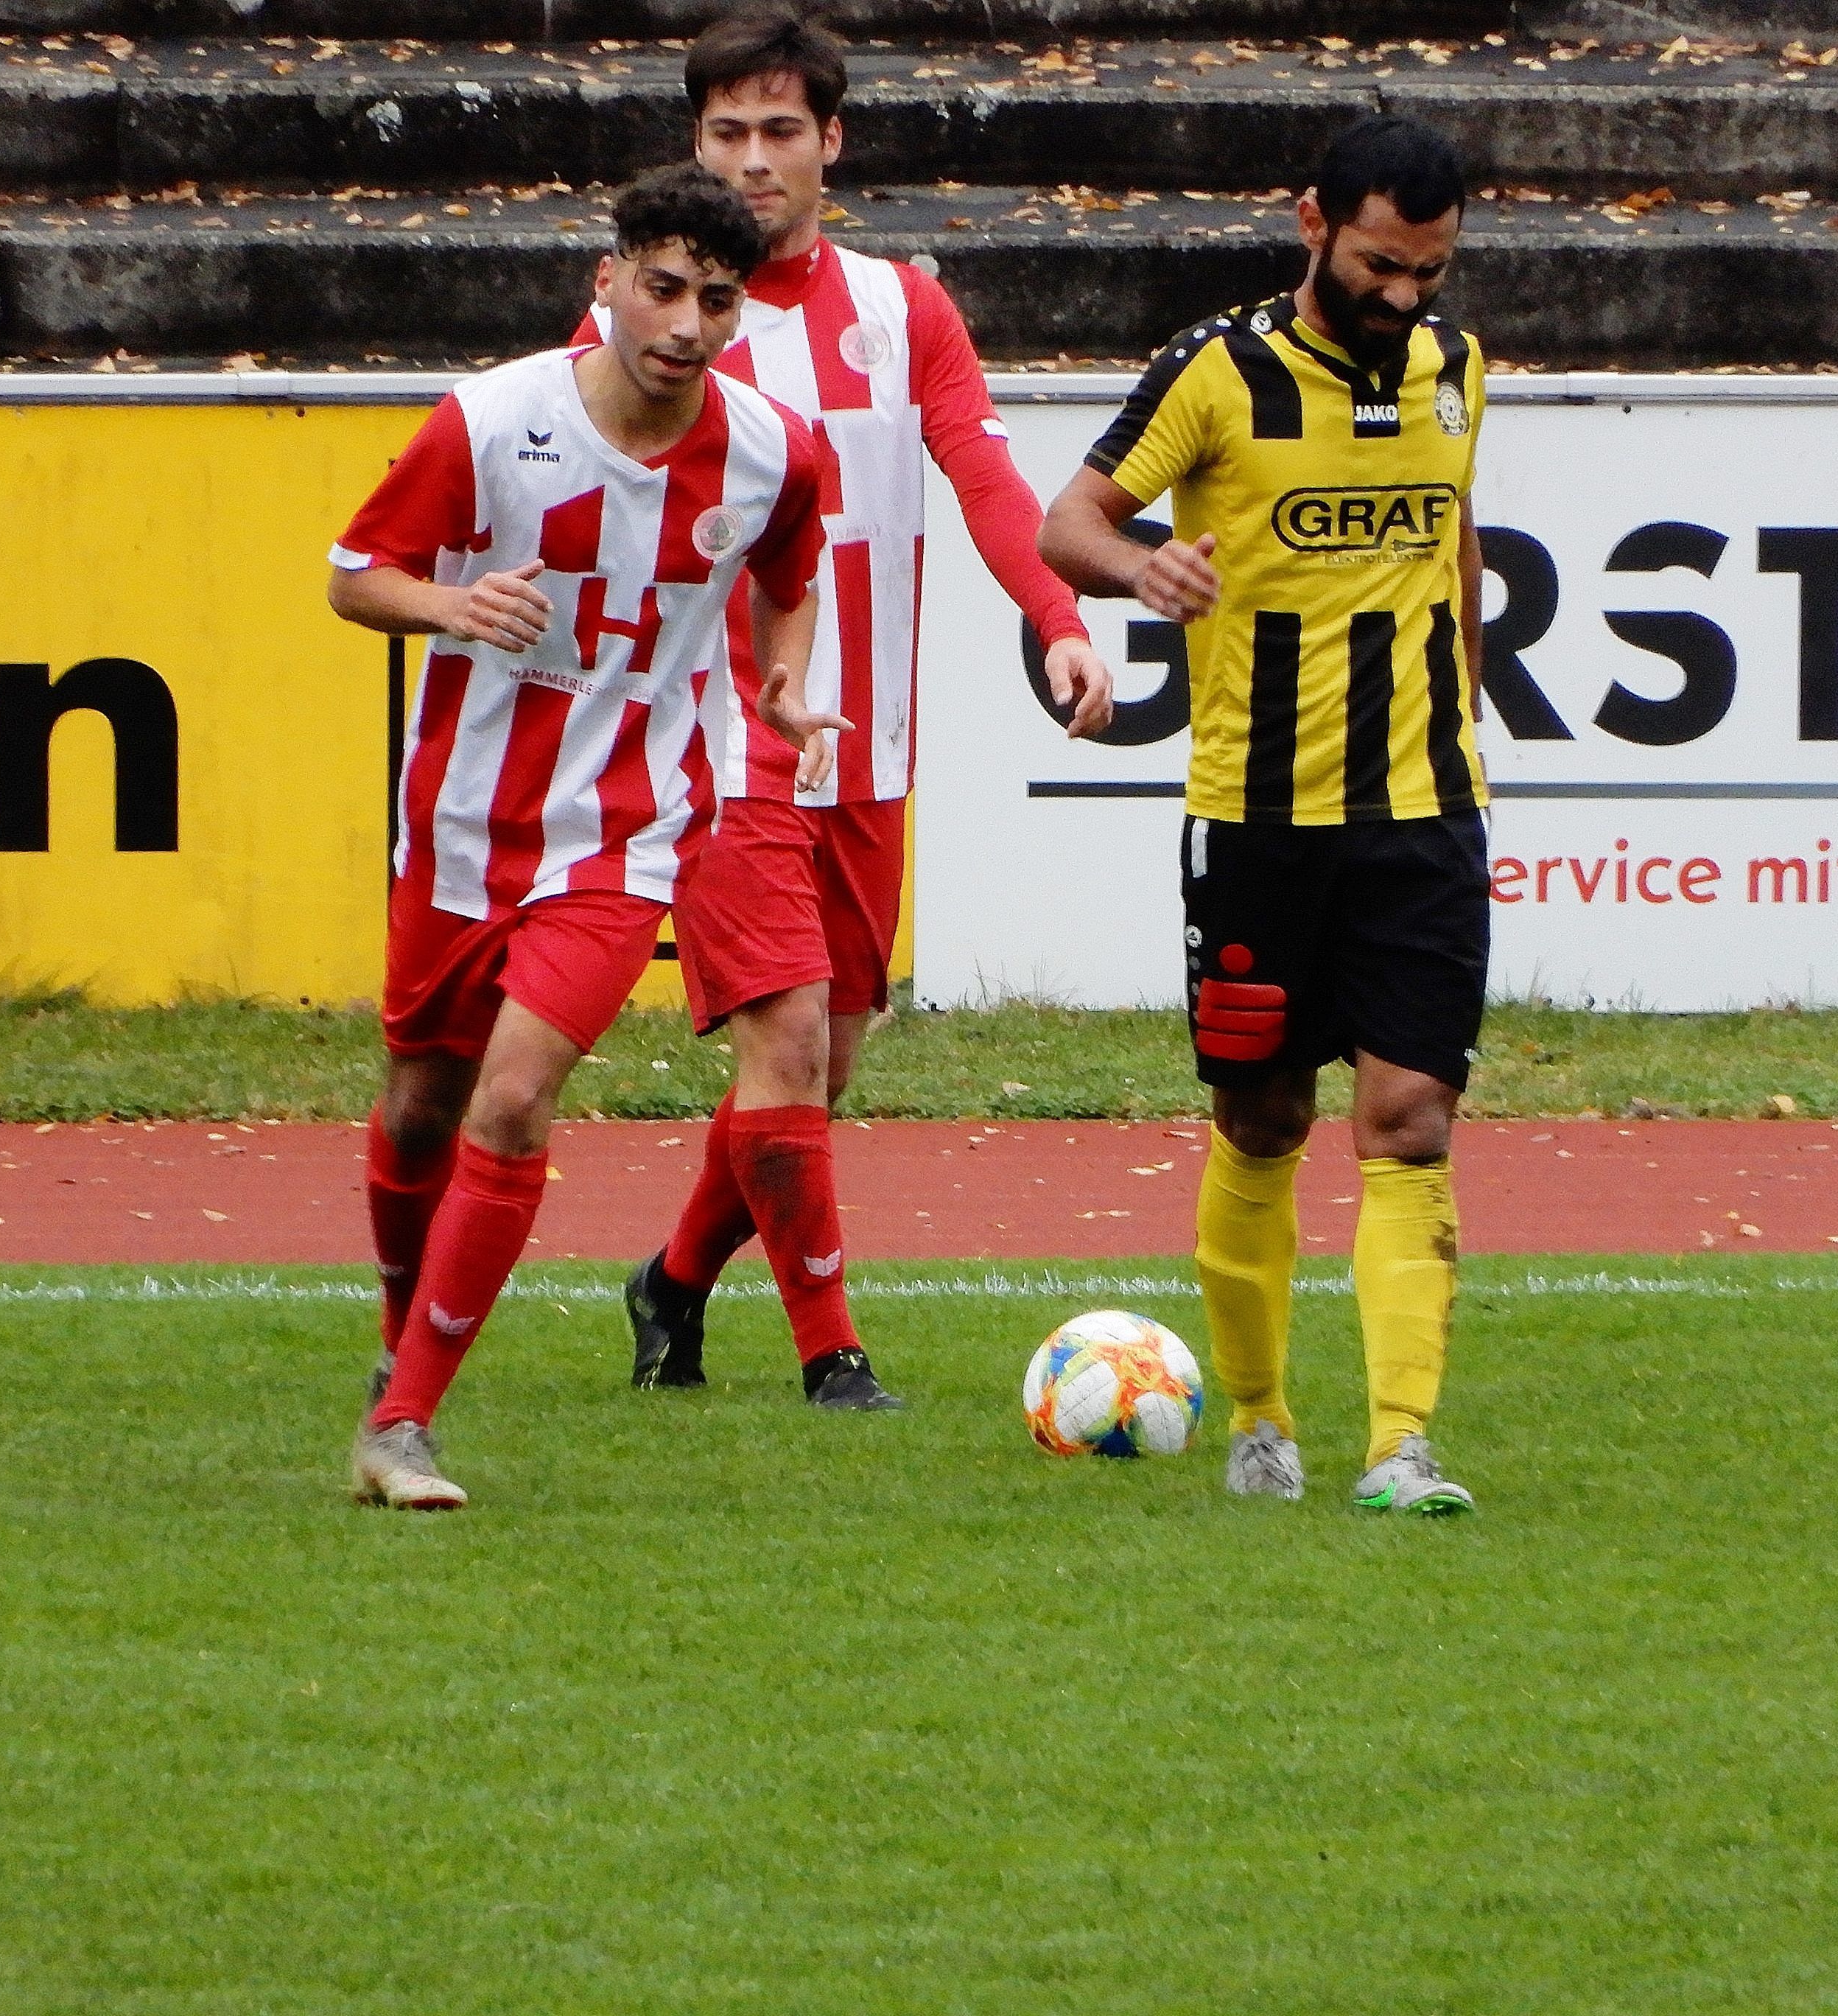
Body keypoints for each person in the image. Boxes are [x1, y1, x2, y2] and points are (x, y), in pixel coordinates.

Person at [594, 5, 1115, 1411]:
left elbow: (989, 485)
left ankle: (675, 1282)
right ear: (694, 144)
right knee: (789, 1043)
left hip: (869, 745)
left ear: (832, 142)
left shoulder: (907, 309)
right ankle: (833, 1356)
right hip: (720, 741)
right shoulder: (650, 314)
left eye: (779, 133)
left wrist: (1058, 621)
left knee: (821, 1075)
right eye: (725, 134)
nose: (753, 161)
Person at [326, 161, 842, 1509]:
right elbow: (350, 575)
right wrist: (449, 609)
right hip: (461, 822)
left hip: (631, 823)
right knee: (423, 1101)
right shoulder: (493, 422)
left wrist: (785, 681)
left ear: (741, 315)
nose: (685, 322)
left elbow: (792, 570)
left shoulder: (775, 447)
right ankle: (400, 1334)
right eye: (662, 287)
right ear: (606, 281)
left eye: (716, 301)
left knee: (512, 1095)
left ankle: (403, 1428)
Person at [1037, 113, 1488, 1514]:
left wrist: (1467, 712)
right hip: (1256, 824)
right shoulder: (1217, 371)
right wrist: (1140, 571)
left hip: (1424, 815)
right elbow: (1070, 522)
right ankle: (1258, 1417)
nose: (1403, 297)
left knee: (1410, 1119)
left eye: (1429, 270)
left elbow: (1457, 542)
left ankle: (1402, 1448)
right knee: (1264, 1118)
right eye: (1376, 265)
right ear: (1311, 224)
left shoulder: (1459, 371)